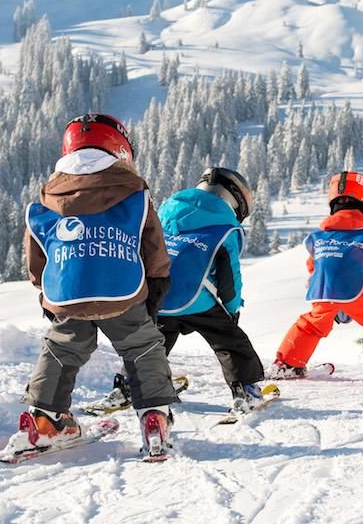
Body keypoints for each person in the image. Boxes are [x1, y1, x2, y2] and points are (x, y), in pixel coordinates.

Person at [0, 113, 179, 461]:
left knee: (60, 349)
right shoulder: (134, 193)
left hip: (67, 291)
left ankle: (43, 420)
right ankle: (154, 417)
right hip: (123, 290)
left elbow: (37, 256)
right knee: (142, 347)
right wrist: (158, 283)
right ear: (121, 149)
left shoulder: (49, 197)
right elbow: (153, 245)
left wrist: (45, 291)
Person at [98, 166, 267, 414]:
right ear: (236, 199)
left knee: (151, 344)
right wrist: (231, 309)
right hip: (197, 300)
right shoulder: (224, 227)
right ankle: (246, 391)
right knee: (230, 343)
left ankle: (128, 386)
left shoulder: (166, 214)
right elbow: (229, 276)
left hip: (158, 297)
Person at [270, 171, 363, 386]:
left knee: (310, 325)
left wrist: (332, 296)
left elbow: (313, 267)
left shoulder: (318, 237)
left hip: (322, 292)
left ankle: (287, 365)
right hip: (358, 291)